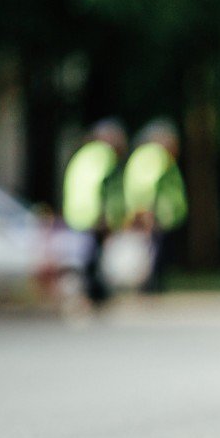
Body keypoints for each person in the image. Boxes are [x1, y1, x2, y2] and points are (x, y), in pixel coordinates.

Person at [62, 119, 129, 308]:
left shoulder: (83, 154)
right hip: (92, 213)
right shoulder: (104, 155)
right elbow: (103, 187)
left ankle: (90, 295)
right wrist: (107, 215)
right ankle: (92, 296)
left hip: (76, 212)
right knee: (92, 259)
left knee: (83, 259)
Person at [123, 120, 187, 292]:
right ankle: (149, 288)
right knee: (152, 253)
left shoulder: (143, 154)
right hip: (153, 214)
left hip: (151, 213)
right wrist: (146, 211)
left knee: (152, 252)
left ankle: (151, 287)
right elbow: (147, 185)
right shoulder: (155, 154)